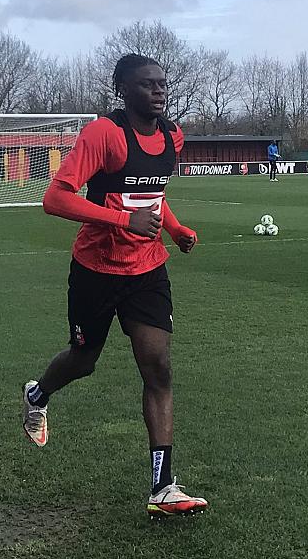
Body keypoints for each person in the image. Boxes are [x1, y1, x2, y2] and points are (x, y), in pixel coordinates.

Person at [22, 53, 208, 518]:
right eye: (147, 85)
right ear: (122, 89)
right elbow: (55, 199)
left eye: (163, 84)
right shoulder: (103, 135)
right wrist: (125, 220)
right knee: (83, 360)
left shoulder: (172, 136)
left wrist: (175, 229)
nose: (159, 92)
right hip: (96, 268)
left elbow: (153, 198)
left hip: (147, 269)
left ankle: (162, 487)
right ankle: (38, 394)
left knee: (158, 366)